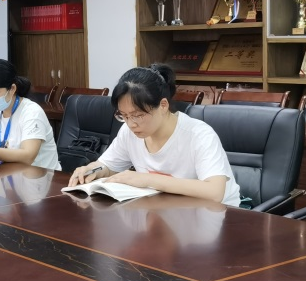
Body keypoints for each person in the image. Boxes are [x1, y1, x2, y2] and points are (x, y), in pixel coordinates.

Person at [68, 64, 241, 207]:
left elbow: (215, 192)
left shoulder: (199, 135)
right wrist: (93, 169)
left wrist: (147, 180)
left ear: (163, 105)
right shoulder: (129, 131)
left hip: (219, 217)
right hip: (167, 212)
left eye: (137, 115)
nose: (131, 123)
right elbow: (109, 165)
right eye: (124, 115)